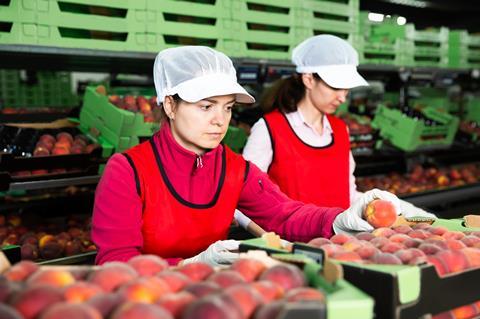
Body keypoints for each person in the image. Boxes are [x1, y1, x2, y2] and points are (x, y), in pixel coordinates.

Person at [91, 45, 403, 267]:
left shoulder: (235, 169)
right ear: (170, 105)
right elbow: (115, 263)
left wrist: (338, 219)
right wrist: (187, 266)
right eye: (206, 106)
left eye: (227, 107)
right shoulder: (128, 171)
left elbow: (285, 214)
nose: (220, 120)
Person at [241, 35, 435, 223]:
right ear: (308, 80)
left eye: (346, 89)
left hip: (340, 244)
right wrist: (270, 240)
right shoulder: (269, 129)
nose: (342, 97)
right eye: (335, 87)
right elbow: (243, 198)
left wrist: (409, 212)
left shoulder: (340, 129)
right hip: (293, 247)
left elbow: (347, 195)